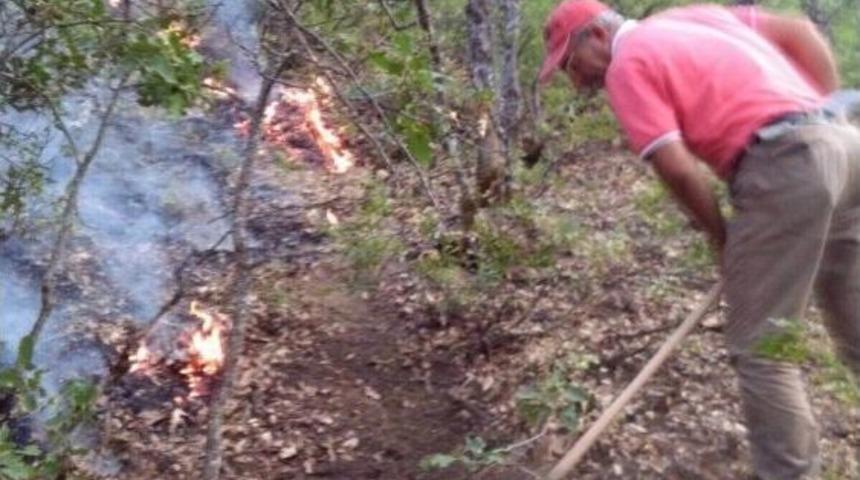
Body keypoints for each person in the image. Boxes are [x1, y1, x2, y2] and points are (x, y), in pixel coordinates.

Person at [539, 1, 860, 479]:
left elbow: (676, 166)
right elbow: (799, 32)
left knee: (761, 347)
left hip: (787, 165)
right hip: (847, 148)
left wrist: (721, 240)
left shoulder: (627, 66)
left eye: (571, 62)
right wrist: (824, 120)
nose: (575, 77)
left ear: (598, 38)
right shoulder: (690, 18)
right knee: (853, 313)